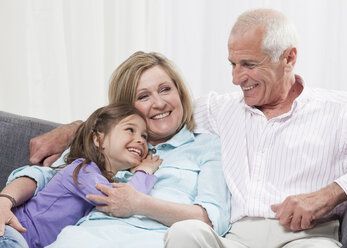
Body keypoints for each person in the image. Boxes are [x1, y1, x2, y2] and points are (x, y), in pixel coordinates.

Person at [163, 8, 347, 248]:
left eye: (249, 64)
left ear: (289, 58)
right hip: (236, 239)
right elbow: (163, 117)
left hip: (307, 238)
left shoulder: (342, 112)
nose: (236, 78)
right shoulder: (220, 109)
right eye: (233, 64)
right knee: (185, 232)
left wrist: (329, 194)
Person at [0, 52, 230, 247]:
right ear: (127, 108)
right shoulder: (111, 143)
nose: (159, 103)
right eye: (143, 96)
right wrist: (5, 200)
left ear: (179, 93)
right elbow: (47, 175)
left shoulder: (207, 147)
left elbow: (211, 220)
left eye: (165, 89)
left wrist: (140, 204)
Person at [0, 102, 161, 248]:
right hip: (11, 231)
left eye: (144, 136)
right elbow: (127, 200)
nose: (140, 140)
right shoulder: (83, 170)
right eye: (130, 130)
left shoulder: (104, 179)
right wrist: (144, 171)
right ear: (98, 139)